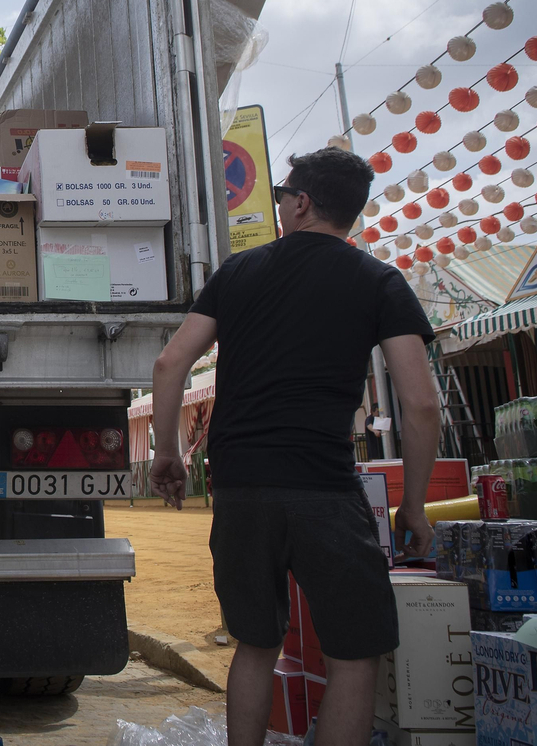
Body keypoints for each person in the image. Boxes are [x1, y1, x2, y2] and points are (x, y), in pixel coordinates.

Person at [147, 149, 440, 746]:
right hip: (323, 489)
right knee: (356, 655)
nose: (279, 203)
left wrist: (168, 453)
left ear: (301, 202)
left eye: (282, 194)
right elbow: (422, 403)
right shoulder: (379, 280)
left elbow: (170, 362)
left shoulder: (239, 272)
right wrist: (414, 502)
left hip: (241, 488)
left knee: (255, 646)